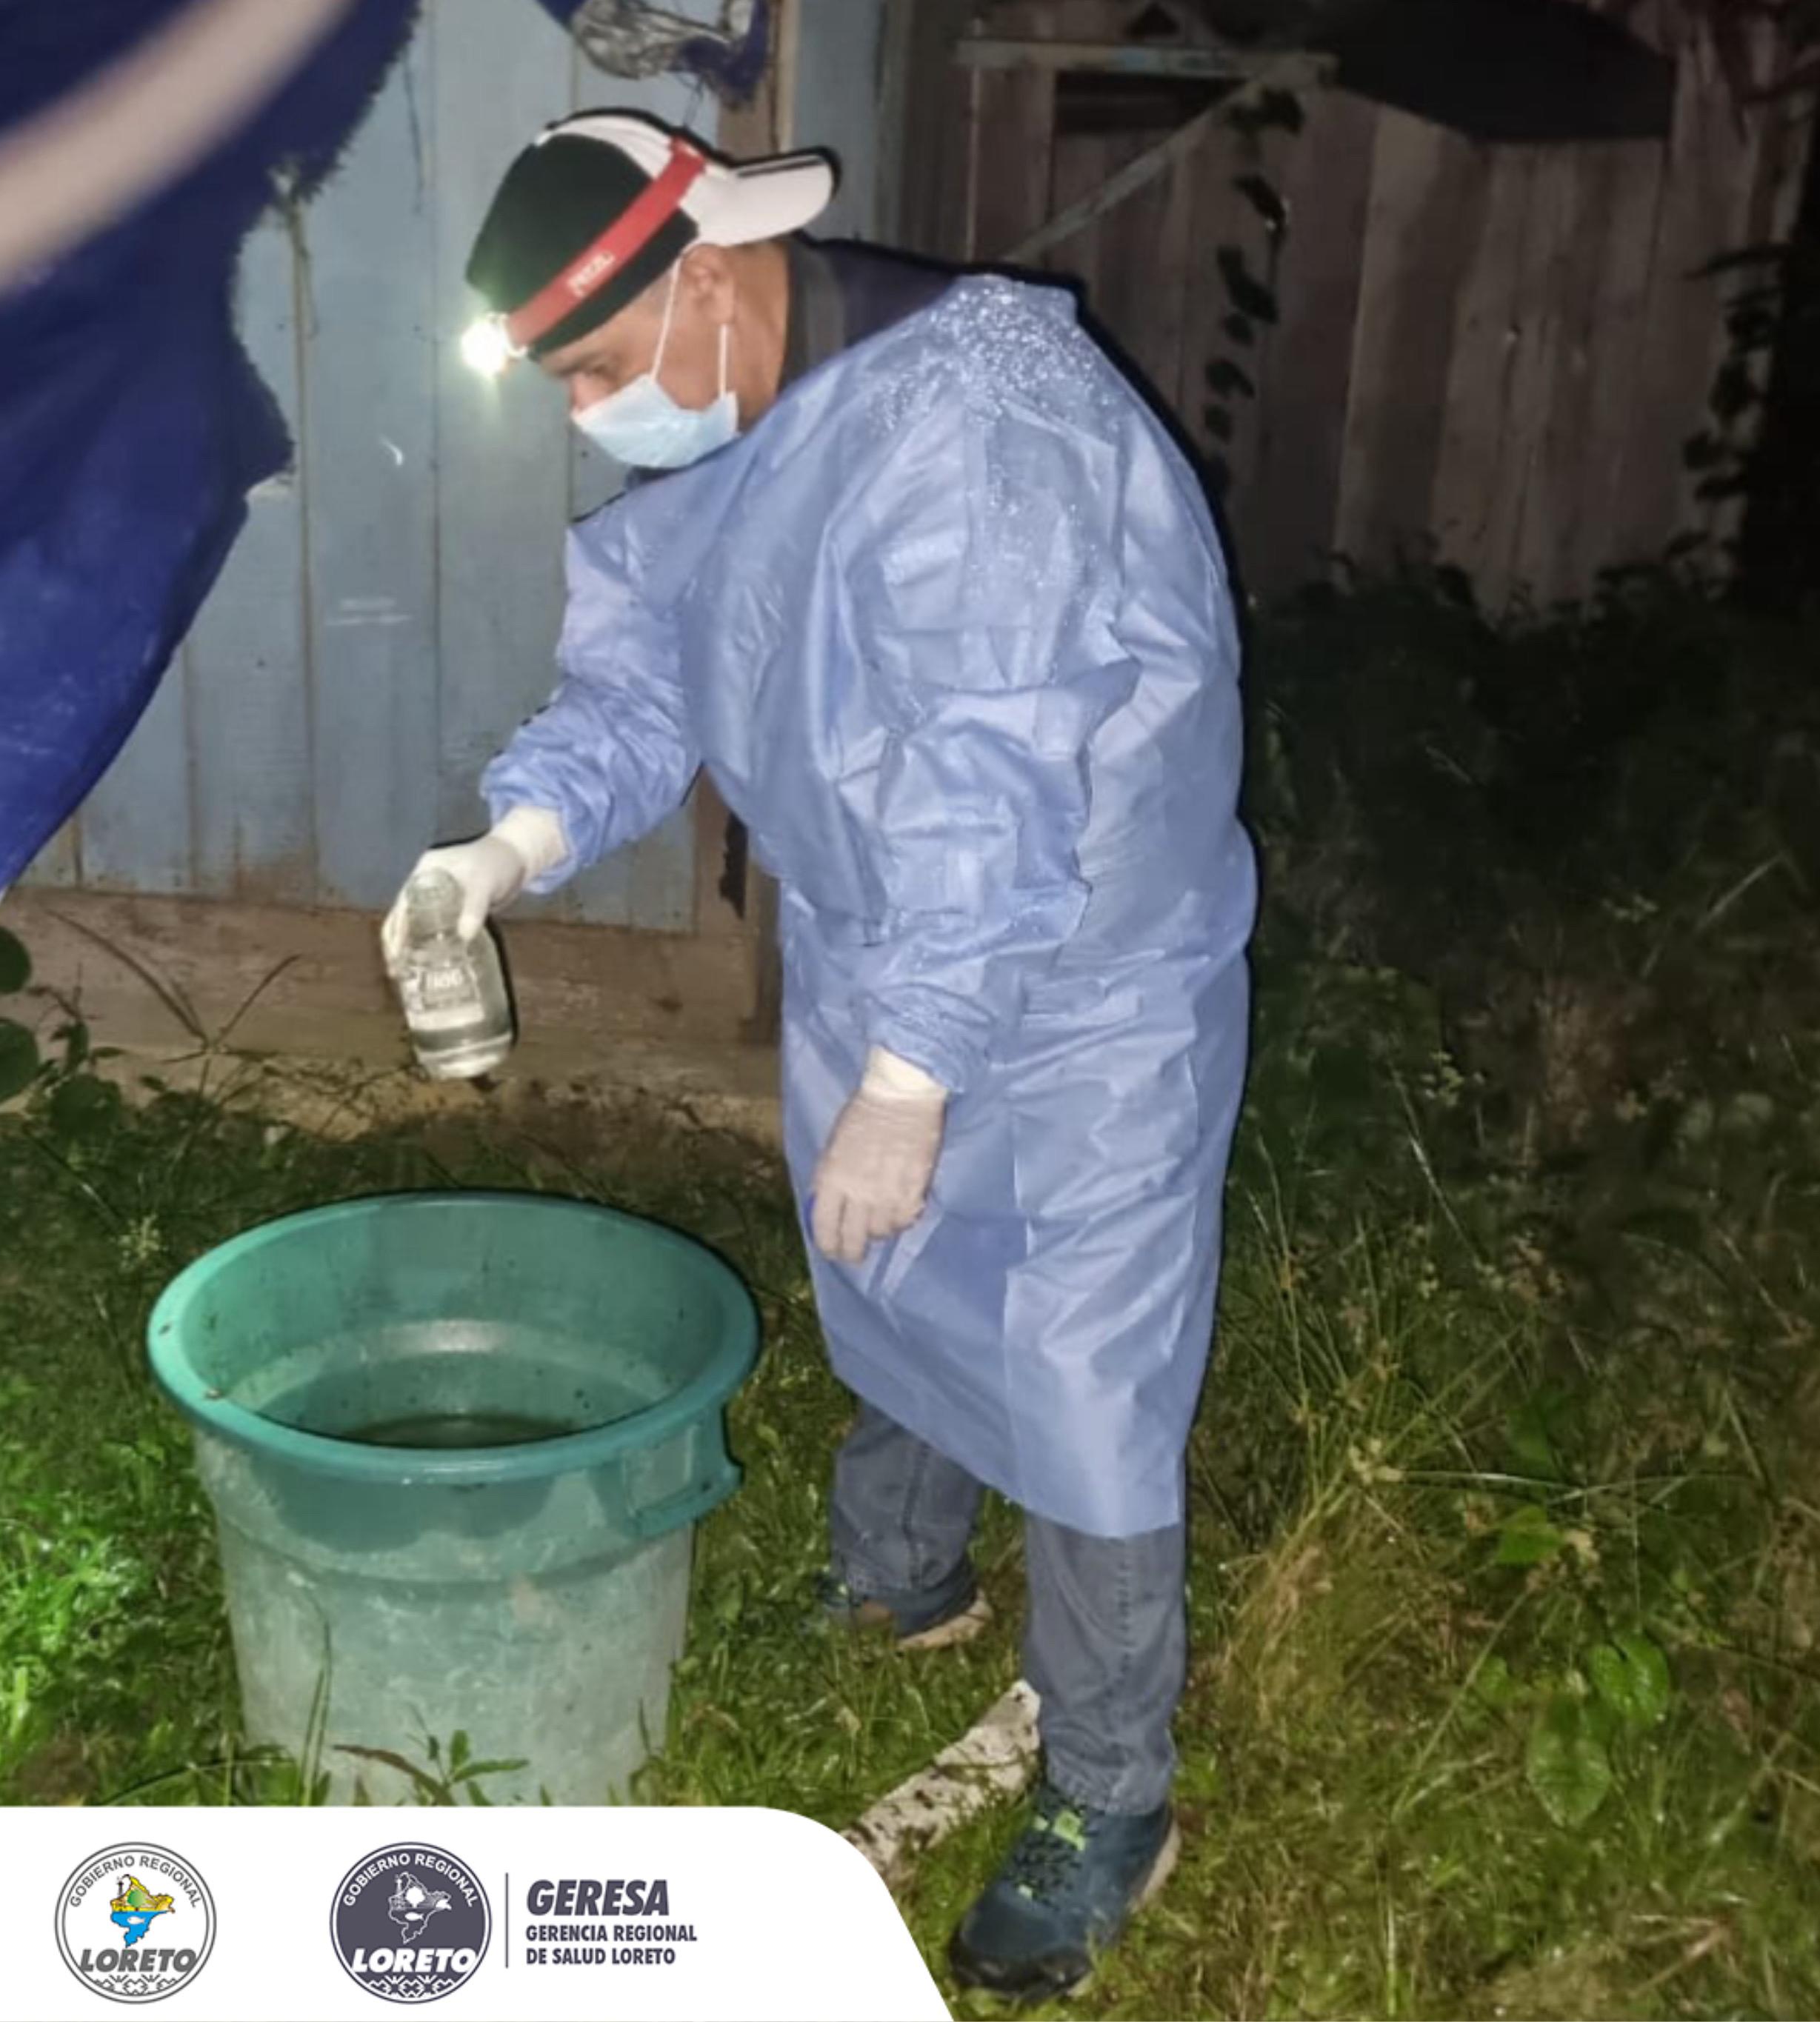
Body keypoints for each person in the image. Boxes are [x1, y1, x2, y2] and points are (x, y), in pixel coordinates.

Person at [386, 110, 1255, 2001]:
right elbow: (641, 682)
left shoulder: (981, 423)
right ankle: (900, 1579)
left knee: (1084, 1368)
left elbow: (994, 773)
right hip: (885, 946)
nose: (588, 415)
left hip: (1084, 979)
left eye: (596, 369)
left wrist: (910, 1075)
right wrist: (501, 849)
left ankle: (1108, 1787)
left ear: (706, 280)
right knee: (890, 1268)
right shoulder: (730, 427)